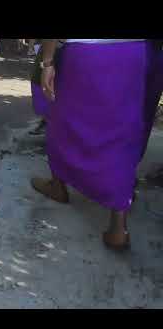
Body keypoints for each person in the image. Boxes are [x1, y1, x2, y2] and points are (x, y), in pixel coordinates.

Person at [32, 39, 162, 251]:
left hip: (87, 51)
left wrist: (47, 62)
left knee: (61, 120)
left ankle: (58, 186)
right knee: (124, 131)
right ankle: (118, 228)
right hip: (136, 52)